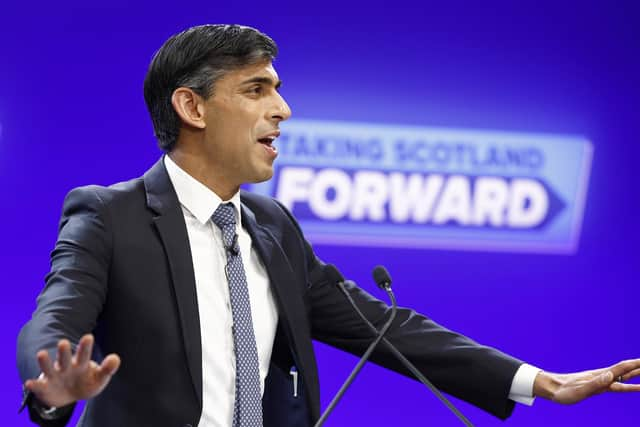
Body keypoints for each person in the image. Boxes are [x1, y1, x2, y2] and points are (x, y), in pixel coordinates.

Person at [17, 24, 640, 427]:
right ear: (192, 106)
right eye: (257, 90)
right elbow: (56, 318)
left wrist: (540, 383)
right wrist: (52, 384)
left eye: (278, 90)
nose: (282, 110)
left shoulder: (271, 224)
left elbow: (385, 327)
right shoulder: (109, 214)